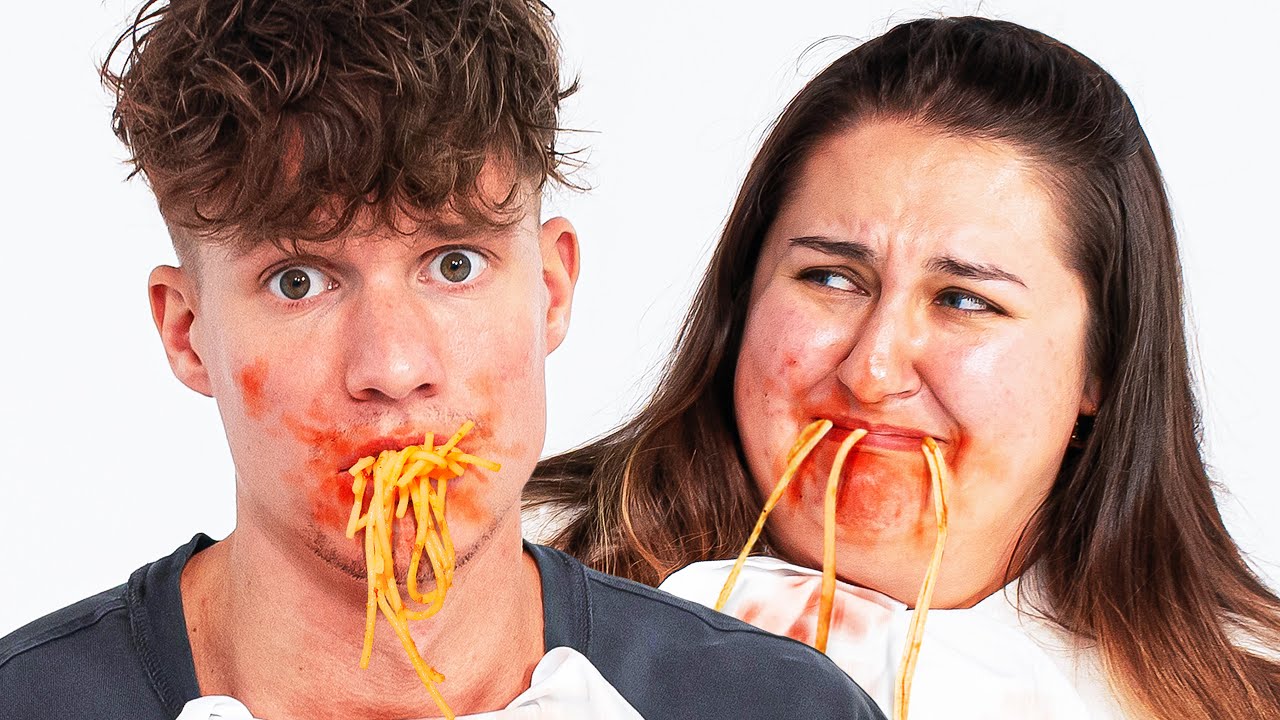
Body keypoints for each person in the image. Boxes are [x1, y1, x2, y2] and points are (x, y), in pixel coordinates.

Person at [0, 2, 885, 719]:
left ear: (551, 288)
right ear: (187, 331)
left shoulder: (774, 706)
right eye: (299, 281)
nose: (391, 366)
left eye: (454, 264)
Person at [526, 15, 1280, 720]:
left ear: (1100, 369)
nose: (872, 371)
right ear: (743, 296)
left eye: (965, 300)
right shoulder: (506, 577)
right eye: (830, 278)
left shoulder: (1243, 692)